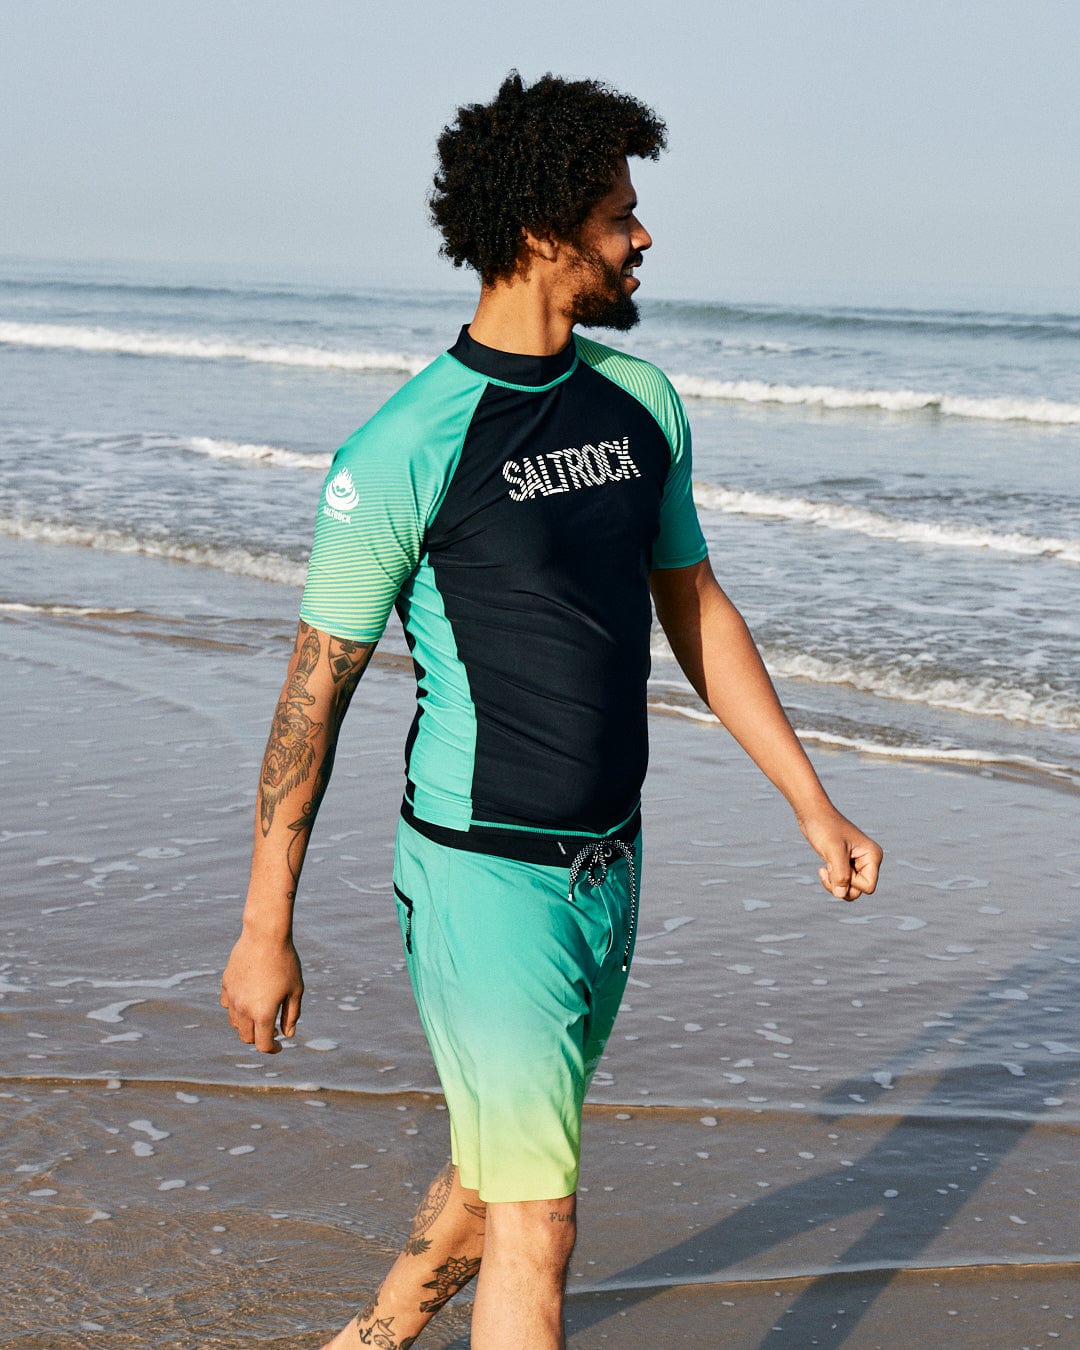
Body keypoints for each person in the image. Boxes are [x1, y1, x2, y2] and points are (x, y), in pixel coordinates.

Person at [220, 71, 883, 1350]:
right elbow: (314, 701)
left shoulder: (641, 405)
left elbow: (696, 611)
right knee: (545, 1216)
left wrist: (813, 803)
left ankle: (370, 1338)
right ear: (541, 235)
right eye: (620, 215)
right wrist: (265, 928)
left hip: (608, 864)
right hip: (483, 874)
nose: (643, 238)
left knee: (500, 1157)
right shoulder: (402, 450)